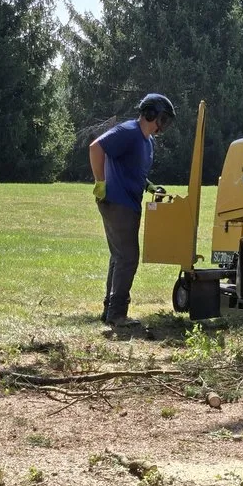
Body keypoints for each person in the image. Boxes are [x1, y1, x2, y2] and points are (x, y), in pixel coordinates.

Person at [89, 93, 176, 327]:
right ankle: (117, 314)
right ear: (149, 113)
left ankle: (110, 310)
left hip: (129, 203)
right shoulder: (128, 131)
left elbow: (134, 171)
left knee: (119, 257)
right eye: (162, 119)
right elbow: (96, 148)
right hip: (117, 202)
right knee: (128, 258)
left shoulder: (147, 142)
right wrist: (100, 183)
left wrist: (149, 186)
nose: (162, 126)